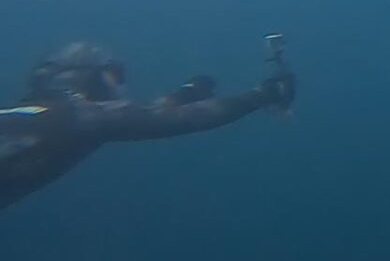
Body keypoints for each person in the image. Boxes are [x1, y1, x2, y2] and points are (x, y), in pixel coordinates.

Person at [0, 40, 296, 211]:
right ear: (86, 76)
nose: (118, 87)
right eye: (113, 76)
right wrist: (262, 95)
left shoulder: (40, 114)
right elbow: (176, 120)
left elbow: (140, 114)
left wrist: (186, 94)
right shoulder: (77, 117)